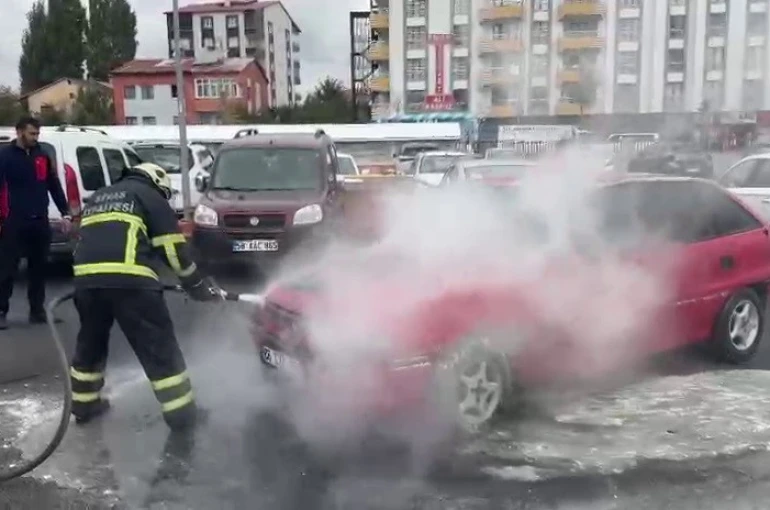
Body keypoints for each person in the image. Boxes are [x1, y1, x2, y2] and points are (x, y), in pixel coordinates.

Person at [69, 162, 223, 430]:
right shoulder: (150, 196)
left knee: (90, 344)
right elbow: (173, 250)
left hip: (86, 281)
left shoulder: (99, 196)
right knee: (158, 348)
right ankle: (182, 416)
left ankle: (84, 404)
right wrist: (196, 284)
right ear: (158, 182)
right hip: (131, 284)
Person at [0, 116, 71, 329]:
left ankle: (37, 311)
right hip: (13, 221)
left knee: (38, 268)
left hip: (39, 220)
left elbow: (53, 184)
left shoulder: (42, 155)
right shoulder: (5, 157)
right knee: (7, 268)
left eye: (37, 134)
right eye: (32, 133)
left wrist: (65, 212)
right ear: (19, 132)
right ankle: (2, 311)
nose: (35, 137)